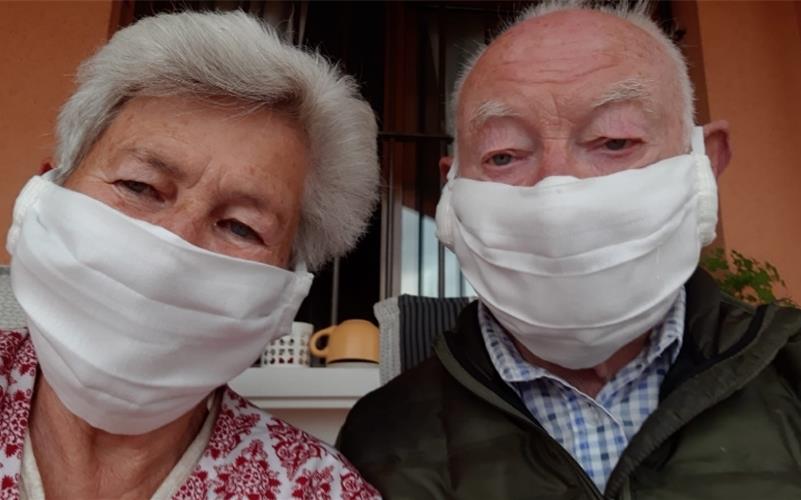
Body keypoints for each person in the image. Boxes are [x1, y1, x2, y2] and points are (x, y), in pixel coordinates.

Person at [338, 1, 801, 499]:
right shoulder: (381, 442)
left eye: (615, 140)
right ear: (450, 189)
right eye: (504, 155)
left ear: (704, 164)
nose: (557, 195)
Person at [1, 10, 381, 499]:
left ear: (286, 292)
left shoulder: (318, 490)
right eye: (138, 186)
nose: (172, 247)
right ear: (45, 194)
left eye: (241, 227)